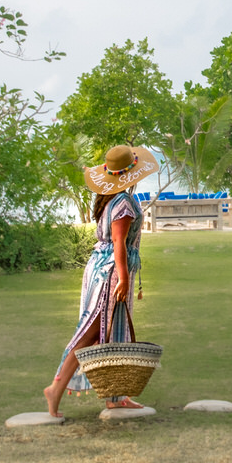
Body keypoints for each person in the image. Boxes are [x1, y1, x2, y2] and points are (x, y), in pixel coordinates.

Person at [43, 144, 159, 417]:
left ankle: (115, 396)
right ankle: (55, 389)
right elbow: (119, 242)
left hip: (101, 268)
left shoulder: (111, 199)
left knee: (107, 333)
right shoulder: (124, 203)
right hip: (110, 272)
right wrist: (124, 277)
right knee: (89, 334)